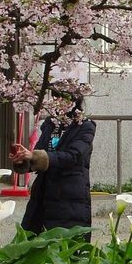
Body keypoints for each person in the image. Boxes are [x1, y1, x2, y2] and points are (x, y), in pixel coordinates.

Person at [10, 98, 96, 235]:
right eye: (56, 96)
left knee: (65, 244)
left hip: (70, 194)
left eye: (64, 97)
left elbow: (74, 156)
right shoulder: (50, 123)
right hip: (43, 193)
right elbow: (38, 153)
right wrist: (24, 159)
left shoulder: (85, 126)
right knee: (34, 243)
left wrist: (36, 156)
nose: (59, 101)